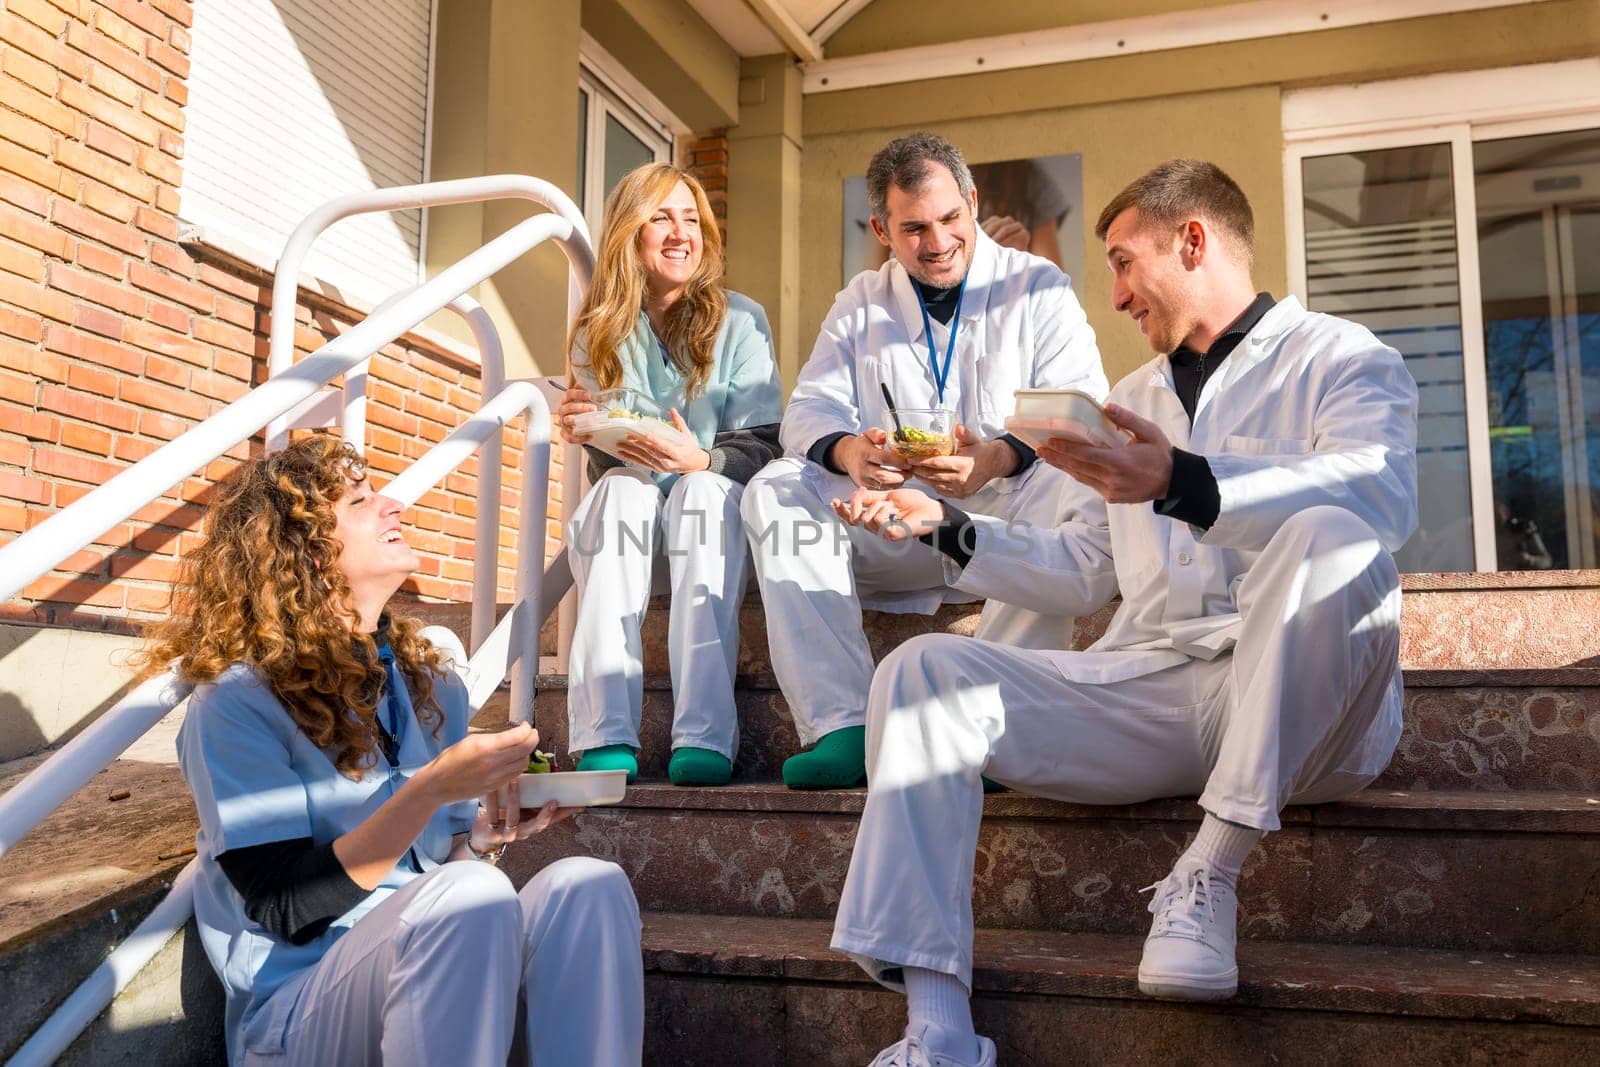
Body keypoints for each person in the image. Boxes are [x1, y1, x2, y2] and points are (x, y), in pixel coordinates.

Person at [827, 159, 1419, 1066]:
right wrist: (947, 530)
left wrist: (1182, 478)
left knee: (1333, 532)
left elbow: (1380, 495)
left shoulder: (1344, 357)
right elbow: (1082, 571)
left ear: (1193, 240)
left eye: (1123, 262)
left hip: (1312, 711)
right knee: (923, 671)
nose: (1113, 296)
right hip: (1154, 692)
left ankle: (1207, 873)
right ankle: (937, 1029)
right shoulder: (1129, 404)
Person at [146, 435, 644, 1066]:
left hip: (432, 981)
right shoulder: (237, 701)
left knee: (588, 885)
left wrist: (487, 835)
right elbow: (283, 905)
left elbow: (444, 866)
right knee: (464, 896)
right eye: (360, 501)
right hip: (305, 1004)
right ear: (304, 551)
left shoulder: (429, 684)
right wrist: (429, 789)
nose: (393, 507)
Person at [741, 132, 1106, 790]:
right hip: (896, 526)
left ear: (971, 201)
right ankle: (842, 725)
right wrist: (852, 451)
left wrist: (994, 457)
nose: (936, 242)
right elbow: (807, 414)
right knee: (773, 486)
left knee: (1065, 471)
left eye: (948, 219)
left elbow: (1079, 403)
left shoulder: (1039, 286)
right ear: (881, 228)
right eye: (913, 229)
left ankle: (1005, 724)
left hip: (1002, 526)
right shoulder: (860, 300)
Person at [556, 163, 782, 787]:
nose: (681, 233)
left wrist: (702, 461)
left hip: (713, 529)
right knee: (619, 491)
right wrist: (583, 427)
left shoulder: (742, 320)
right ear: (631, 233)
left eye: (692, 219)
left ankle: (704, 735)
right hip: (635, 538)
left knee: (704, 494)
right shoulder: (598, 328)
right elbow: (616, 449)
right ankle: (605, 734)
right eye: (661, 217)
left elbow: (766, 442)